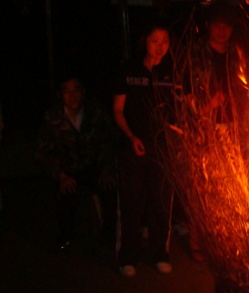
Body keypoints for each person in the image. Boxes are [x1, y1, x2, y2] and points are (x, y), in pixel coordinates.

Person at [182, 1, 249, 265]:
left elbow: (246, 87)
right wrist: (205, 107)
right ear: (208, 25)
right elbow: (185, 90)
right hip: (204, 128)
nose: (222, 30)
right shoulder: (195, 52)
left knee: (231, 185)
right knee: (204, 185)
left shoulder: (236, 54)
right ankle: (197, 242)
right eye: (217, 25)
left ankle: (225, 242)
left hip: (233, 127)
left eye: (227, 26)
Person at [113, 23, 175, 277]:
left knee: (160, 202)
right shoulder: (128, 69)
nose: (160, 47)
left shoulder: (172, 70)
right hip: (133, 145)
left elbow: (184, 104)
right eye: (154, 41)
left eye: (165, 41)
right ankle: (127, 256)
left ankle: (160, 253)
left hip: (163, 148)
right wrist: (130, 136)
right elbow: (117, 110)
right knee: (131, 201)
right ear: (144, 41)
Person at [35, 76, 117, 253]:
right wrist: (60, 175)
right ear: (60, 94)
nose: (72, 96)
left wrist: (106, 168)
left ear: (83, 92)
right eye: (66, 91)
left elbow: (109, 141)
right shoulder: (52, 117)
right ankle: (66, 237)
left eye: (76, 90)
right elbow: (41, 153)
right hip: (67, 170)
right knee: (65, 194)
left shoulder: (95, 112)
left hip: (93, 166)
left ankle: (110, 234)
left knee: (110, 188)